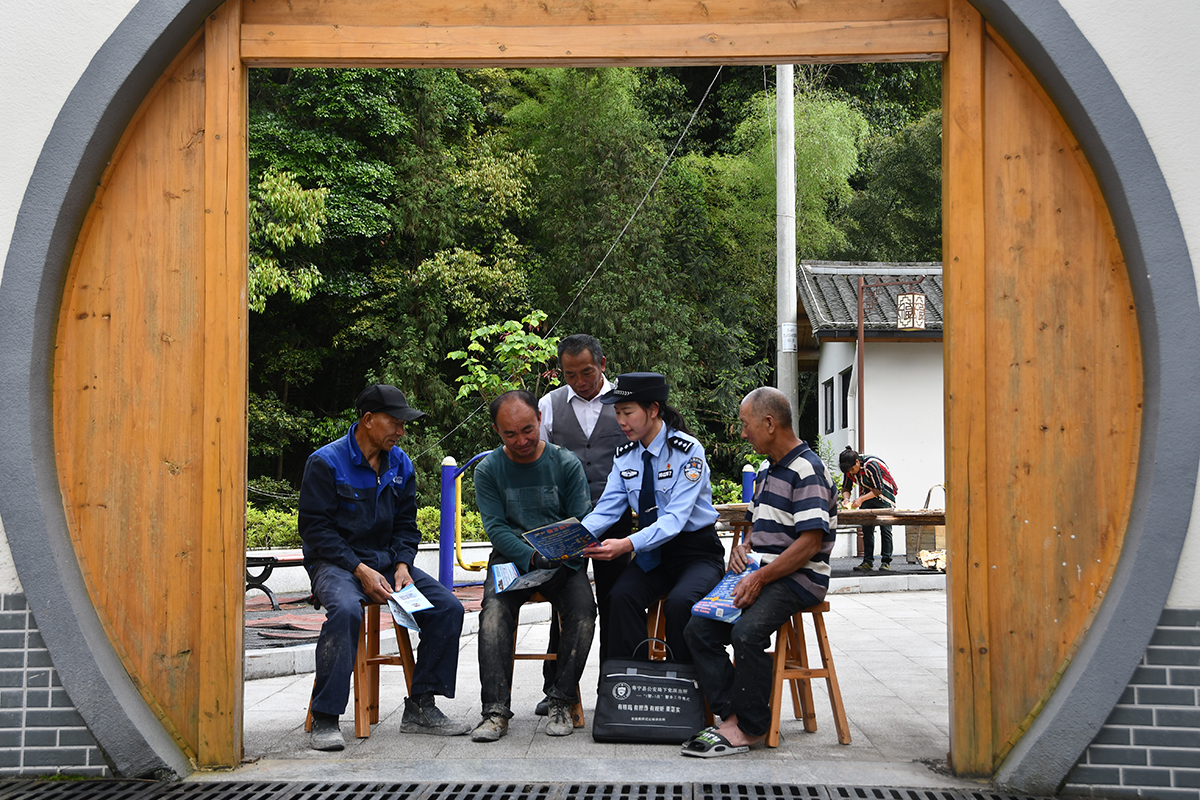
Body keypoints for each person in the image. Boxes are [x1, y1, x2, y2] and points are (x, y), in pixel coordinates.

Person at [298, 384, 469, 751]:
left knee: (448, 608)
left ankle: (421, 706)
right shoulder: (325, 462)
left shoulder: (401, 464)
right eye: (396, 423)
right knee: (346, 610)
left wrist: (404, 565)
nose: (401, 432)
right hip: (335, 564)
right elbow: (316, 532)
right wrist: (359, 569)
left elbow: (407, 525)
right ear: (368, 420)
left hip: (388, 563)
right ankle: (326, 717)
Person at [681, 387, 838, 757]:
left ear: (769, 423)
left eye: (745, 424)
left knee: (747, 634)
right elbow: (756, 528)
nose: (742, 433)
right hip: (760, 573)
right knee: (698, 630)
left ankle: (752, 728)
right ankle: (733, 714)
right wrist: (743, 548)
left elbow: (810, 543)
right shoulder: (767, 469)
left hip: (798, 578)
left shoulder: (808, 470)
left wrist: (760, 577)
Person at [470, 390, 597, 742]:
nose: (521, 440)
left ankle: (561, 700)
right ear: (496, 431)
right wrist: (529, 556)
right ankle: (495, 711)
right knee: (493, 614)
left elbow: (581, 519)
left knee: (584, 611)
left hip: (563, 561)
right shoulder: (488, 470)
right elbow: (496, 529)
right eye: (510, 434)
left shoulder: (565, 463)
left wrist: (560, 554)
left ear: (540, 419)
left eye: (527, 429)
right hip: (512, 560)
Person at [581, 372, 724, 664]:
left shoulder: (688, 452)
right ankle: (629, 682)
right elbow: (606, 509)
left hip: (696, 554)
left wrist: (627, 544)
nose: (621, 421)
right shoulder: (625, 456)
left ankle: (686, 684)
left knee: (680, 604)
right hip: (653, 557)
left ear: (653, 409)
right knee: (620, 598)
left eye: (628, 412)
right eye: (617, 413)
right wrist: (573, 538)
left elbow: (674, 519)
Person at [536, 334, 632, 711]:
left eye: (587, 372)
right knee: (565, 601)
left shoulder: (625, 401)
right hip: (567, 520)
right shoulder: (550, 404)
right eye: (570, 374)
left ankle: (613, 687)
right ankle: (555, 688)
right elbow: (539, 458)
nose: (579, 381)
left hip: (617, 520)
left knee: (614, 602)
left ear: (603, 365)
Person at [839, 446, 899, 571]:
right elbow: (846, 488)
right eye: (849, 471)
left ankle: (886, 561)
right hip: (867, 494)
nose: (852, 473)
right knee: (866, 528)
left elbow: (878, 489)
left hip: (884, 495)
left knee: (885, 528)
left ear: (857, 462)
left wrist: (860, 499)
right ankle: (867, 561)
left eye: (853, 469)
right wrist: (846, 499)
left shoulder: (871, 465)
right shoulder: (849, 470)